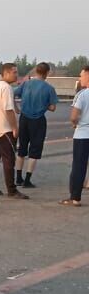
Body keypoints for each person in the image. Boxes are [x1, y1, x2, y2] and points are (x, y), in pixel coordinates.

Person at [0, 63, 28, 199]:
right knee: (9, 159)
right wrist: (15, 127)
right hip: (5, 129)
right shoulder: (6, 88)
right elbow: (8, 109)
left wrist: (16, 108)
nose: (17, 75)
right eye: (14, 72)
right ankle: (12, 190)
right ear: (6, 73)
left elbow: (10, 105)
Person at [14, 62, 58, 188]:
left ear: (36, 71)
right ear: (47, 73)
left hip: (24, 118)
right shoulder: (49, 88)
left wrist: (17, 108)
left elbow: (13, 93)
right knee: (34, 150)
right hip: (38, 120)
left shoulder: (26, 84)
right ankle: (27, 180)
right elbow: (53, 107)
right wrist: (44, 105)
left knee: (22, 149)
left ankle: (18, 178)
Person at [60, 65, 89, 207]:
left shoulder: (82, 94)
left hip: (83, 135)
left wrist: (75, 123)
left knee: (79, 166)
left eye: (82, 75)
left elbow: (73, 116)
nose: (80, 78)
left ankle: (75, 197)